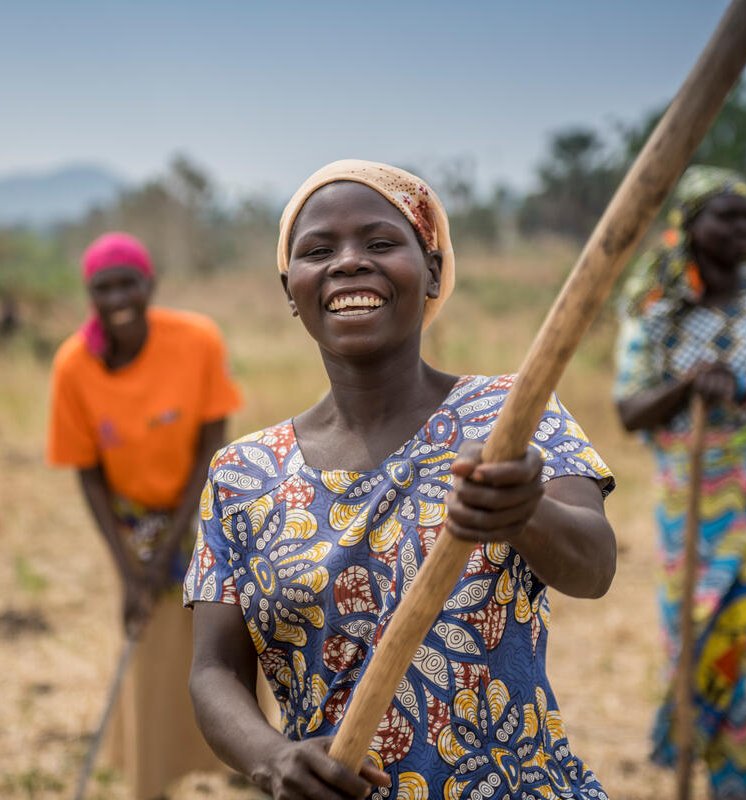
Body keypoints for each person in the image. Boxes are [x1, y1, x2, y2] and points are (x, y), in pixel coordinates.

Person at [184, 160, 617, 800]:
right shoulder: (242, 475)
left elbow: (595, 566)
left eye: (381, 242)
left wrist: (523, 512)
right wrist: (272, 758)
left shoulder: (511, 415)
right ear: (290, 289)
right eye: (318, 250)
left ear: (434, 270)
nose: (349, 262)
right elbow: (214, 669)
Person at [614, 165, 746, 799]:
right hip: (696, 499)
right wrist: (689, 384)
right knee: (705, 636)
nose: (745, 228)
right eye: (728, 215)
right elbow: (630, 409)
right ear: (691, 227)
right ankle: (722, 781)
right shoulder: (656, 312)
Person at [47, 232, 243, 799]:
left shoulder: (197, 340)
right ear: (90, 295)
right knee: (152, 640)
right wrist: (132, 569)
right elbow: (87, 473)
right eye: (103, 288)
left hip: (204, 503)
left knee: (223, 626)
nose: (118, 298)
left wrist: (174, 544)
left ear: (150, 284)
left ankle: (245, 759)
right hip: (134, 519)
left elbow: (212, 447)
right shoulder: (73, 367)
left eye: (127, 283)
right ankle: (151, 776)